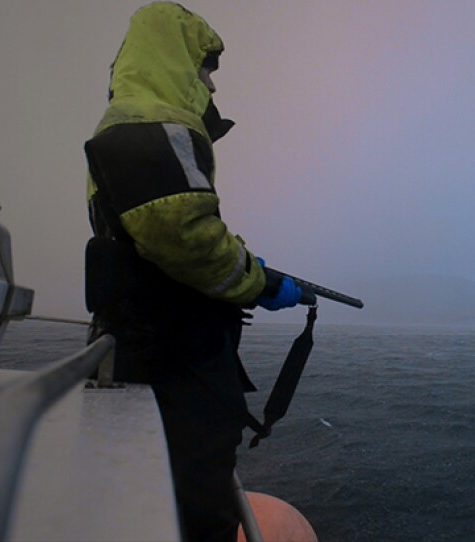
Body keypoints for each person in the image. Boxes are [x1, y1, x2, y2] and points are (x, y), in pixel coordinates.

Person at [83, 3, 307, 540]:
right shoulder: (152, 127)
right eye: (204, 67)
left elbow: (176, 226)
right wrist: (262, 282)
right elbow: (184, 236)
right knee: (195, 502)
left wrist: (246, 265)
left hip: (145, 345)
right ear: (175, 59)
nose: (209, 82)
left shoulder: (131, 125)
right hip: (172, 357)